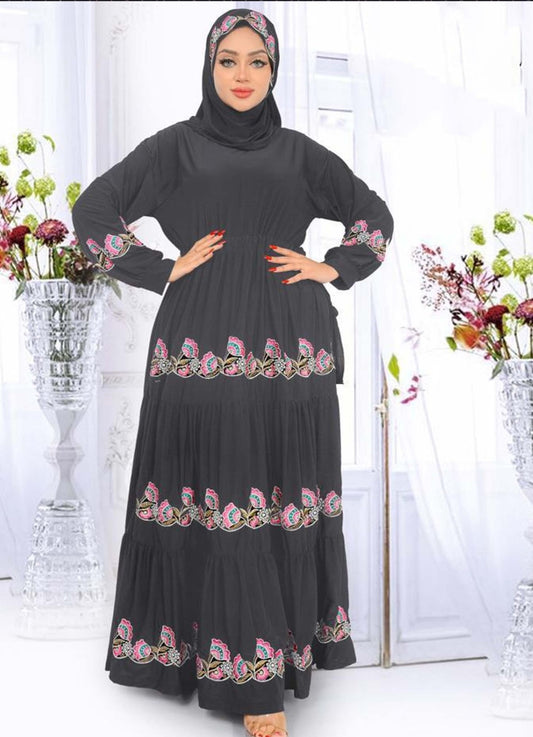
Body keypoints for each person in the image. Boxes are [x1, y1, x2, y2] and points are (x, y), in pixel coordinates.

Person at [71, 7, 393, 737]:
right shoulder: (174, 148)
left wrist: (333, 266)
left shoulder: (300, 154)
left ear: (274, 70)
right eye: (228, 60)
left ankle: (263, 674)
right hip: (201, 343)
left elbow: (372, 215)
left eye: (257, 61)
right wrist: (159, 267)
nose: (243, 75)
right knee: (222, 490)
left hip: (289, 346)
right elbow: (94, 211)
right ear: (209, 66)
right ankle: (222, 671)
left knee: (271, 495)